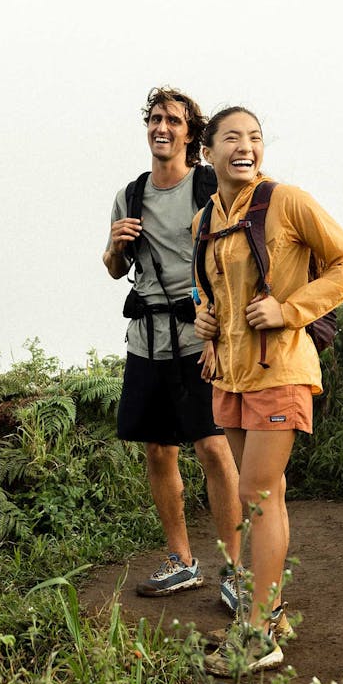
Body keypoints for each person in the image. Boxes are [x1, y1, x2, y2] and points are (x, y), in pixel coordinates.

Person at [192, 106, 343, 673]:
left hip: (282, 369)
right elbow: (210, 287)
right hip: (232, 374)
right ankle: (272, 611)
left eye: (255, 138)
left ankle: (256, 632)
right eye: (232, 139)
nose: (246, 147)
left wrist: (290, 310)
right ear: (207, 152)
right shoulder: (204, 220)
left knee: (258, 496)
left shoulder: (287, 200)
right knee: (263, 497)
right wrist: (206, 322)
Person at [103, 86, 242, 597]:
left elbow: (233, 261)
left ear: (191, 134)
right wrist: (116, 246)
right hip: (146, 340)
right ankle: (182, 560)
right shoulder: (130, 195)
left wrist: (220, 332)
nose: (162, 128)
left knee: (211, 446)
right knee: (158, 450)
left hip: (201, 335)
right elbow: (117, 270)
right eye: (155, 119)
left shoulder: (210, 188)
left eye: (174, 121)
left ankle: (234, 570)